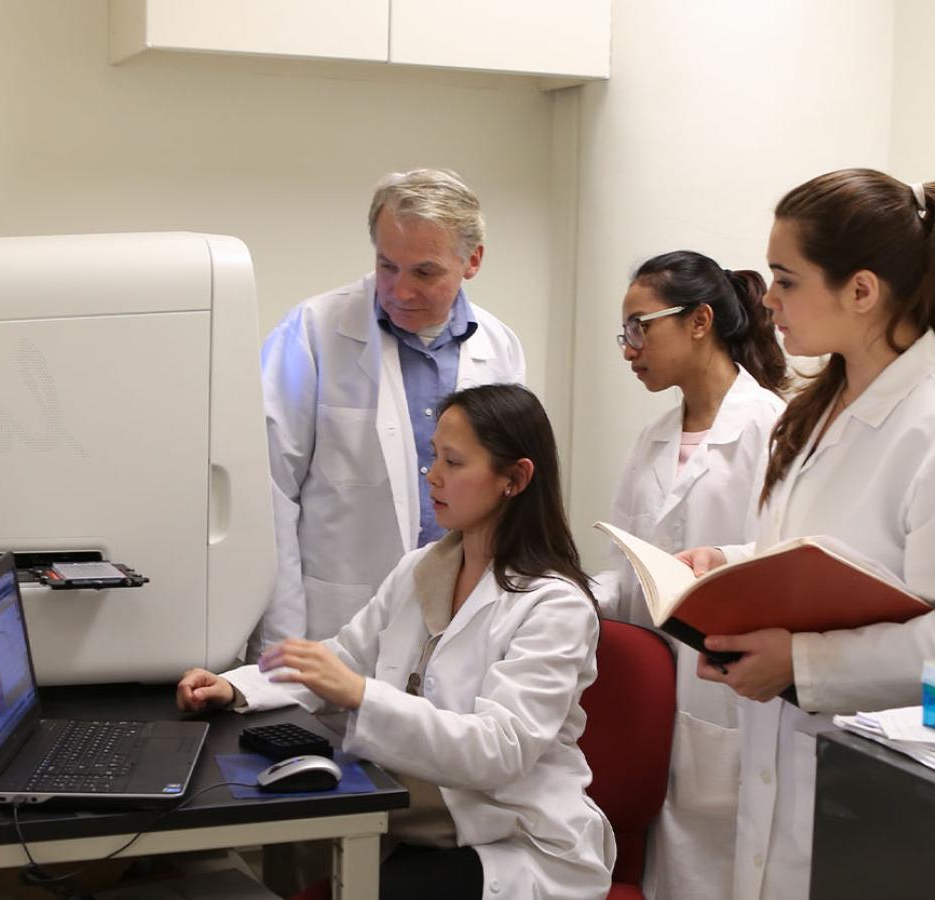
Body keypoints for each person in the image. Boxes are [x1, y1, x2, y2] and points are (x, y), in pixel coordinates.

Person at [677, 169, 935, 900]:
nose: (766, 299)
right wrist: (729, 563)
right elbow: (831, 554)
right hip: (789, 773)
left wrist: (804, 663)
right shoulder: (821, 408)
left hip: (881, 803)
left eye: (785, 278)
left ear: (861, 291)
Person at [179, 383, 614, 900]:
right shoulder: (421, 569)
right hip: (416, 826)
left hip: (512, 842)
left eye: (454, 462)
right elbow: (342, 660)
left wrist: (361, 694)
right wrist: (236, 688)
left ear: (514, 479)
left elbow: (500, 751)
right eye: (434, 457)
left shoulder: (555, 605)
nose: (433, 475)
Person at [256, 169, 526, 651]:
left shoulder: (499, 346)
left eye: (424, 272)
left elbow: (508, 494)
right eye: (387, 267)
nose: (400, 291)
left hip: (460, 616)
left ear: (472, 261)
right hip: (337, 617)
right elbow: (269, 490)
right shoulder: (314, 331)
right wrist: (282, 638)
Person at [594, 249, 788, 900]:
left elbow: (779, 568)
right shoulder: (651, 439)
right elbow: (623, 575)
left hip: (728, 696)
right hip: (654, 700)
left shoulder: (770, 429)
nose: (629, 348)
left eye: (639, 327)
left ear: (699, 321)